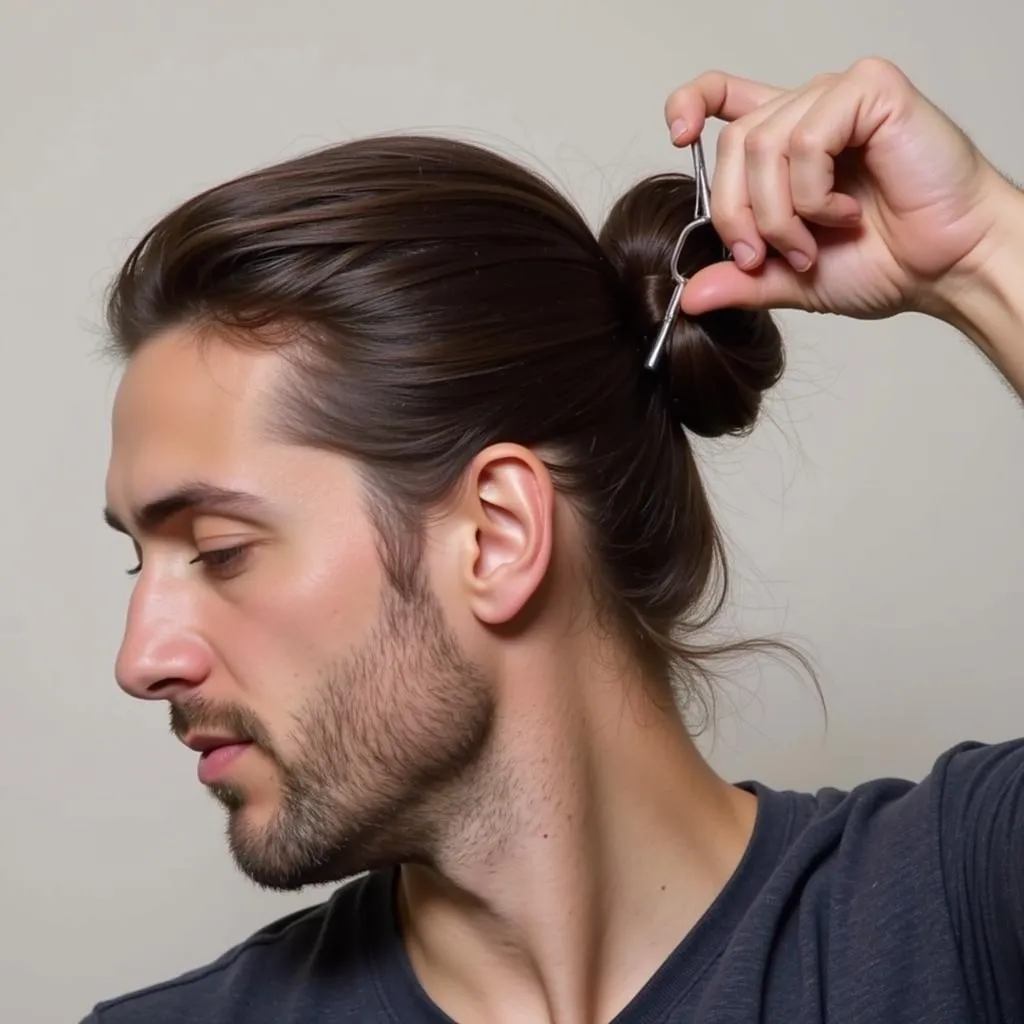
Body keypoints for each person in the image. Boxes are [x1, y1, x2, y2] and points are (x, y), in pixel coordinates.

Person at [82, 57, 1022, 1024]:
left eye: (221, 550)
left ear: (498, 534)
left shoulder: (961, 909)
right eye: (137, 560)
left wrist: (984, 252)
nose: (140, 659)